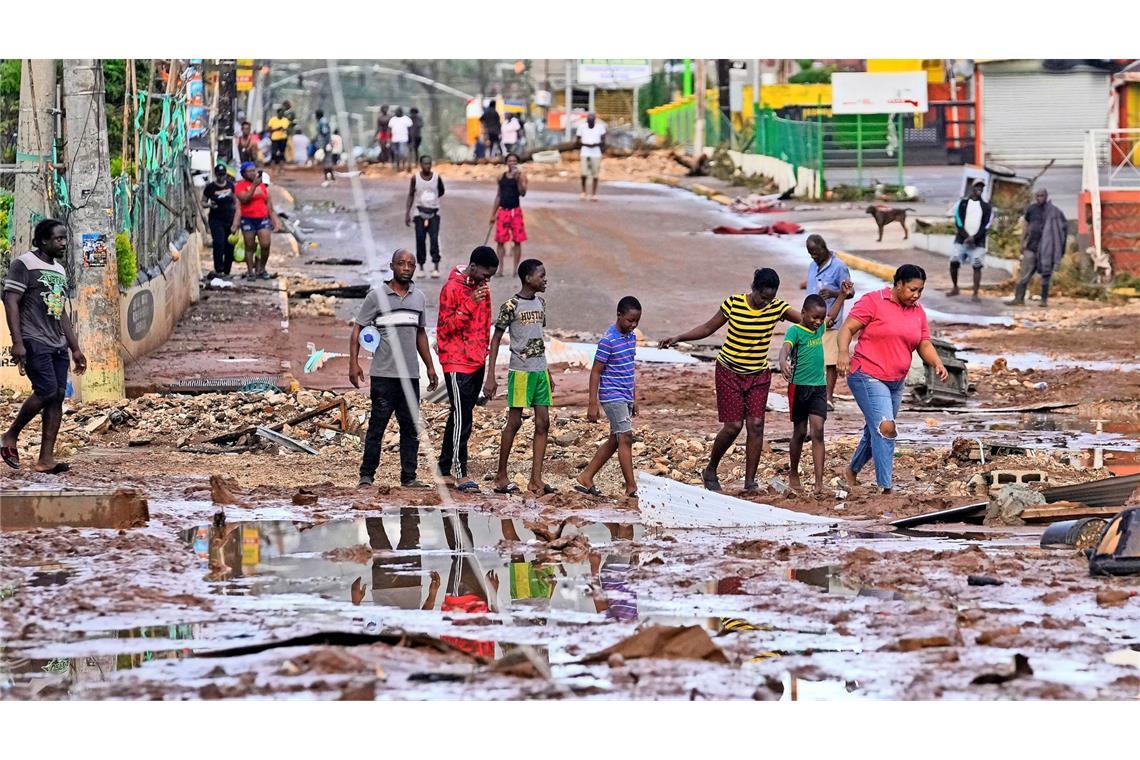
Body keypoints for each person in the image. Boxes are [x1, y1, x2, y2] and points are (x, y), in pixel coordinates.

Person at [660, 268, 802, 493]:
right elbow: (708, 327)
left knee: (756, 425)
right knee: (733, 426)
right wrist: (679, 337)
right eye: (762, 297)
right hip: (729, 372)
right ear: (753, 288)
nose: (766, 303)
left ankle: (750, 481)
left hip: (758, 375)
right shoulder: (734, 304)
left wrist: (827, 310)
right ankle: (711, 469)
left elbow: (807, 320)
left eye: (770, 299)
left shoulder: (777, 307)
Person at [837, 264, 949, 493]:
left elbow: (923, 342)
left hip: (896, 381)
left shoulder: (917, 311)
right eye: (911, 289)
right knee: (886, 427)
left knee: (876, 429)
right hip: (867, 374)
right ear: (898, 284)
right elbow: (847, 329)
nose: (916, 295)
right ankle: (885, 487)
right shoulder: (873, 301)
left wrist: (937, 362)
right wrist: (842, 353)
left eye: (920, 290)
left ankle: (851, 471)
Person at [2, 219, 87, 473]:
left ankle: (45, 459)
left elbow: (60, 312)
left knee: (57, 397)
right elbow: (11, 302)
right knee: (47, 390)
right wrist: (17, 342)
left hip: (57, 342)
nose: (63, 243)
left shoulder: (59, 271)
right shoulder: (24, 265)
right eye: (58, 239)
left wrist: (75, 348)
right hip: (33, 339)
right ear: (41, 241)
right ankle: (9, 435)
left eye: (64, 238)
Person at [349, 249, 438, 489]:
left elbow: (420, 334)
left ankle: (409, 477)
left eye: (411, 264)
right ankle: (366, 476)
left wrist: (430, 366)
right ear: (392, 266)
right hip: (383, 375)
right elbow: (357, 329)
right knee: (377, 427)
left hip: (410, 375)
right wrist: (353, 363)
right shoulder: (376, 297)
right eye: (401, 263)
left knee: (410, 428)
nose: (406, 268)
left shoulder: (418, 298)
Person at [485, 259, 554, 496]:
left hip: (540, 371)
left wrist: (549, 372)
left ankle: (536, 479)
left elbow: (538, 339)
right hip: (521, 372)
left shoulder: (541, 303)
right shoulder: (511, 305)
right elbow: (495, 340)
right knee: (514, 422)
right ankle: (501, 475)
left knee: (543, 423)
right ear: (528, 278)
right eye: (541, 275)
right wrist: (490, 375)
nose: (545, 280)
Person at [435, 246, 500, 493]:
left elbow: (485, 326)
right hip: (455, 361)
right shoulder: (451, 289)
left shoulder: (484, 289)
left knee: (460, 415)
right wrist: (469, 304)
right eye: (485, 275)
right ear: (472, 267)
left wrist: (484, 357)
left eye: (491, 276)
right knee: (463, 417)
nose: (487, 280)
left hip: (476, 361)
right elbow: (445, 329)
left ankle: (443, 468)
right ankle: (459, 472)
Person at [779, 287, 850, 494]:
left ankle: (819, 484)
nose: (818, 322)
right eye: (814, 318)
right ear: (803, 313)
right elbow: (786, 348)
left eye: (820, 319)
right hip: (798, 388)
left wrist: (843, 296)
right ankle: (793, 473)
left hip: (819, 388)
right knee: (799, 432)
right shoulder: (795, 330)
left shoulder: (819, 329)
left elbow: (832, 315)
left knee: (817, 430)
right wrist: (783, 362)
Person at [575, 296, 642, 500]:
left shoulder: (631, 337)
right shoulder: (608, 340)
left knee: (615, 439)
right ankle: (631, 487)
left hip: (624, 394)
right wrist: (592, 403)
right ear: (619, 315)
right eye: (630, 320)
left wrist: (633, 397)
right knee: (626, 437)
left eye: (637, 321)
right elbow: (595, 371)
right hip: (611, 395)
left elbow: (628, 368)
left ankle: (586, 476)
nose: (633, 325)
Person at [803, 234, 855, 409]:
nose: (814, 257)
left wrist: (834, 293)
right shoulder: (812, 266)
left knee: (830, 361)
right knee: (813, 359)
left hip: (832, 321)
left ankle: (828, 398)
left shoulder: (839, 266)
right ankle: (813, 395)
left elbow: (850, 292)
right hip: (811, 321)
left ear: (824, 248)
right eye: (811, 254)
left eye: (816, 253)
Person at [1009, 188, 1067, 308]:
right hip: (1031, 247)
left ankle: (1044, 300)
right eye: (1038, 196)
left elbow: (1062, 230)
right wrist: (1022, 242)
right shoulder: (1032, 209)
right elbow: (1026, 224)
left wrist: (1060, 249)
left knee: (1046, 274)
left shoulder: (1053, 212)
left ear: (1046, 196)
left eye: (1042, 196)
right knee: (1024, 274)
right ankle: (1018, 298)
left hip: (1047, 248)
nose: (1040, 198)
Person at [231, 162, 281, 280]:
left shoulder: (262, 186)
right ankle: (250, 271)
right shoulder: (240, 186)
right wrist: (253, 186)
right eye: (250, 171)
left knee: (265, 244)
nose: (253, 173)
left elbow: (269, 205)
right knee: (250, 246)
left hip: (262, 219)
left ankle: (261, 269)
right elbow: (244, 199)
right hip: (248, 219)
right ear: (243, 173)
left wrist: (275, 220)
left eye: (254, 170)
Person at [949, 180, 993, 302]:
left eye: (981, 187)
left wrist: (974, 238)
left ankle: (975, 293)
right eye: (977, 186)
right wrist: (966, 236)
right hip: (961, 240)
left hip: (978, 242)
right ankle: (955, 287)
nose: (979, 189)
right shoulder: (962, 203)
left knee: (977, 266)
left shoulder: (987, 206)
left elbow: (987, 225)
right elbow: (958, 221)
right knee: (954, 262)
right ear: (972, 188)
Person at [405, 155, 445, 278]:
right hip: (419, 213)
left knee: (434, 240)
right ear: (420, 165)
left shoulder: (437, 178)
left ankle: (436, 267)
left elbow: (441, 191)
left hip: (434, 213)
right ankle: (421, 267)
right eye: (425, 164)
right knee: (420, 240)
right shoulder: (415, 178)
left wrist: (432, 200)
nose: (427, 166)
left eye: (429, 164)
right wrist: (407, 213)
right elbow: (411, 195)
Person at [490, 153, 528, 277]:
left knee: (517, 241)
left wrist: (518, 180)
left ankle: (515, 269)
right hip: (503, 211)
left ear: (517, 162)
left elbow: (523, 193)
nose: (512, 163)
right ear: (506, 163)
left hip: (515, 212)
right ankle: (500, 269)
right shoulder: (501, 177)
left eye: (514, 161)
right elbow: (498, 196)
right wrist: (493, 214)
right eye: (510, 161)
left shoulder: (521, 176)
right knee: (500, 241)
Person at [202, 163, 237, 277]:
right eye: (219, 175)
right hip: (216, 219)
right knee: (218, 242)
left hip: (230, 218)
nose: (221, 177)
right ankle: (219, 268)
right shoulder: (210, 187)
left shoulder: (231, 185)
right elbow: (203, 202)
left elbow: (236, 201)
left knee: (230, 245)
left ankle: (227, 269)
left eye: (223, 175)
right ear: (216, 175)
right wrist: (210, 206)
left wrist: (237, 219)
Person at [575, 112, 606, 201]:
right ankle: (584, 192)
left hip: (596, 152)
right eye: (589, 121)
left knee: (595, 174)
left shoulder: (600, 127)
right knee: (584, 173)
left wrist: (598, 145)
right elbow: (577, 140)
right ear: (587, 121)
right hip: (585, 152)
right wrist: (584, 144)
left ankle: (594, 194)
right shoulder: (582, 127)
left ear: (594, 121)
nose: (590, 123)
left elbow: (604, 139)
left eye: (592, 121)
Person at [389, 106, 414, 172]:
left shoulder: (406, 119)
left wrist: (411, 140)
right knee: (396, 154)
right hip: (394, 139)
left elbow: (410, 130)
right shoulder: (392, 119)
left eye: (397, 111)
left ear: (401, 112)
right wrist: (389, 140)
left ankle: (403, 165)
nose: (396, 113)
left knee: (402, 153)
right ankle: (398, 167)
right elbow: (389, 130)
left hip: (403, 139)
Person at [314, 109, 334, 182]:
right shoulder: (322, 121)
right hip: (324, 143)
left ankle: (328, 177)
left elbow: (325, 133)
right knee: (326, 160)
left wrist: (325, 145)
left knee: (326, 160)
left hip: (325, 144)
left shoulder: (322, 122)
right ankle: (330, 177)